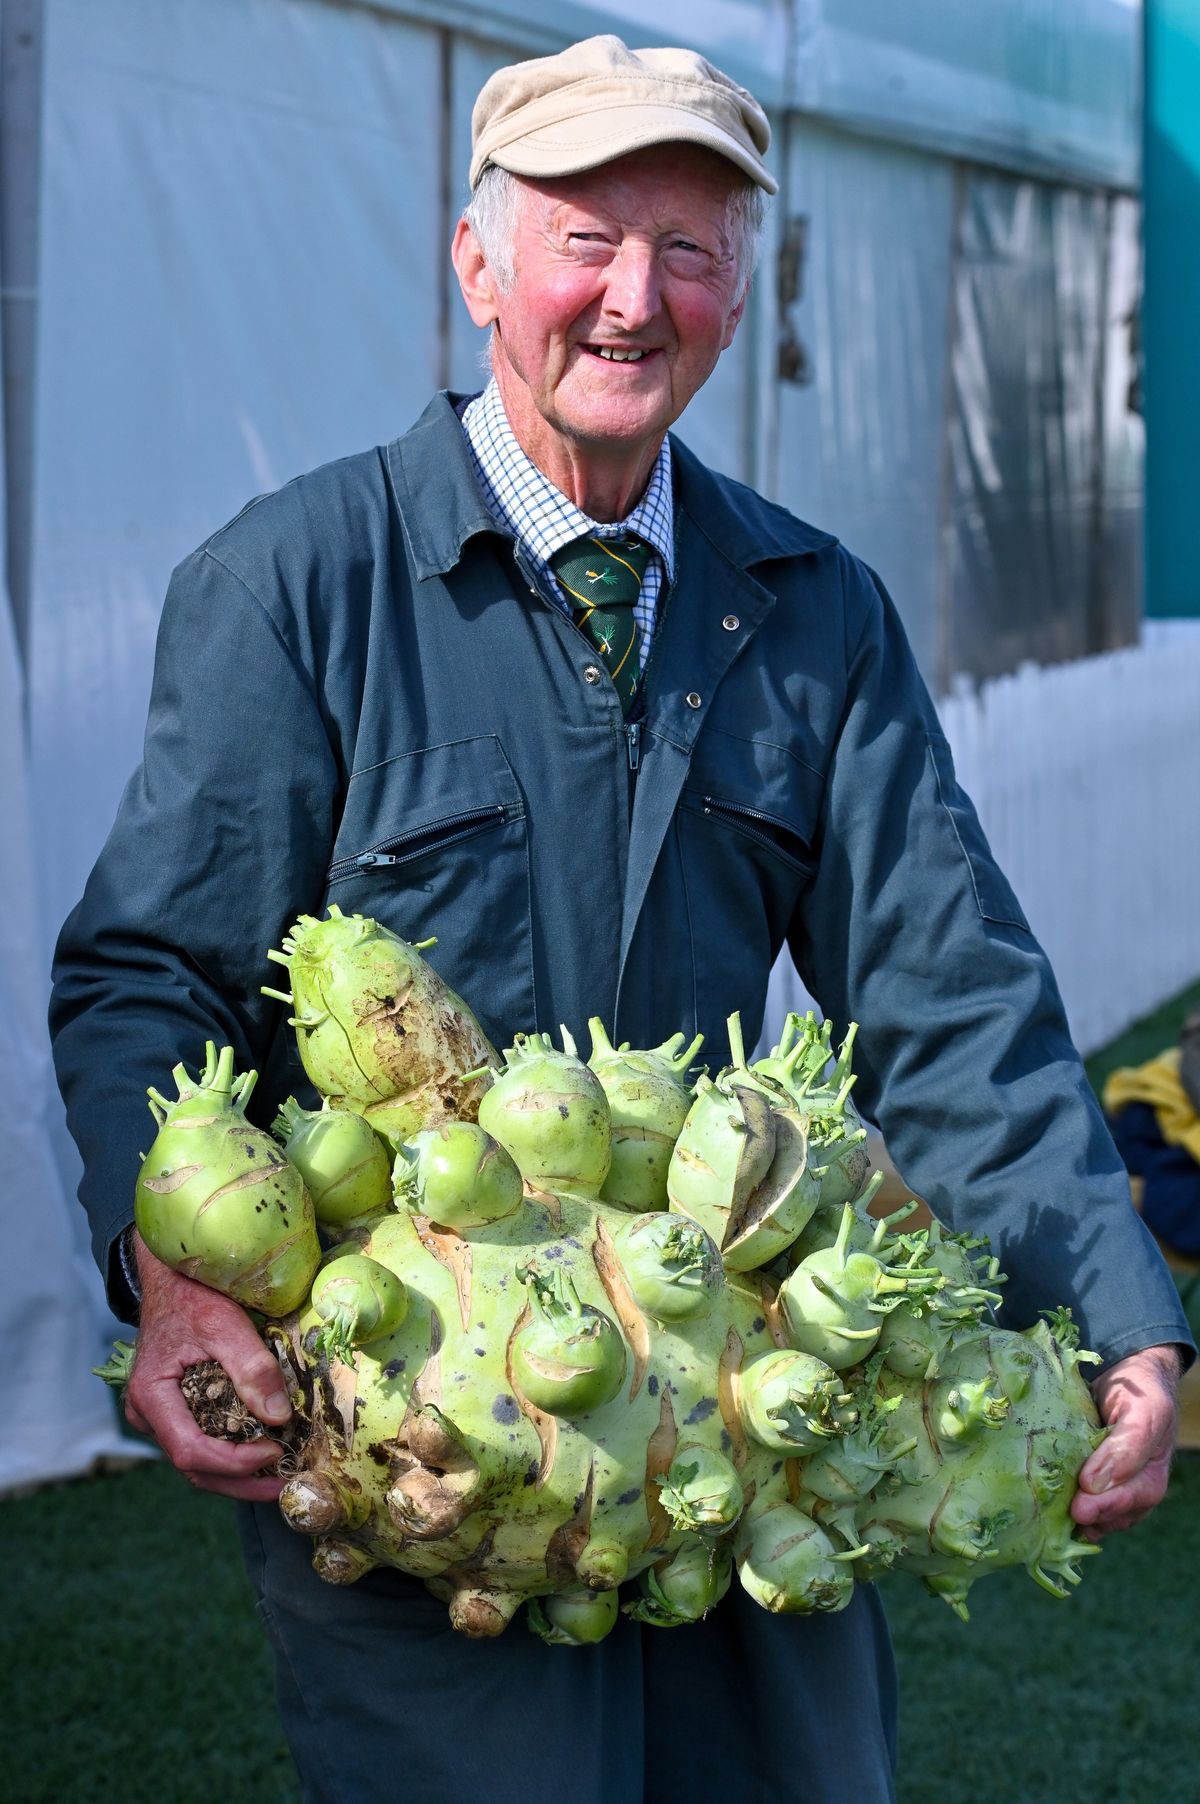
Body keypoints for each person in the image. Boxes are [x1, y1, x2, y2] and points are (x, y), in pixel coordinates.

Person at [50, 34, 1191, 1804]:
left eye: (690, 247)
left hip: (748, 1397)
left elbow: (952, 996)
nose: (633, 299)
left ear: (742, 287)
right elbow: (147, 974)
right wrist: (174, 1281)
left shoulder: (811, 611)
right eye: (586, 239)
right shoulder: (302, 585)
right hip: (435, 1425)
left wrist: (1122, 1312)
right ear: (479, 262)